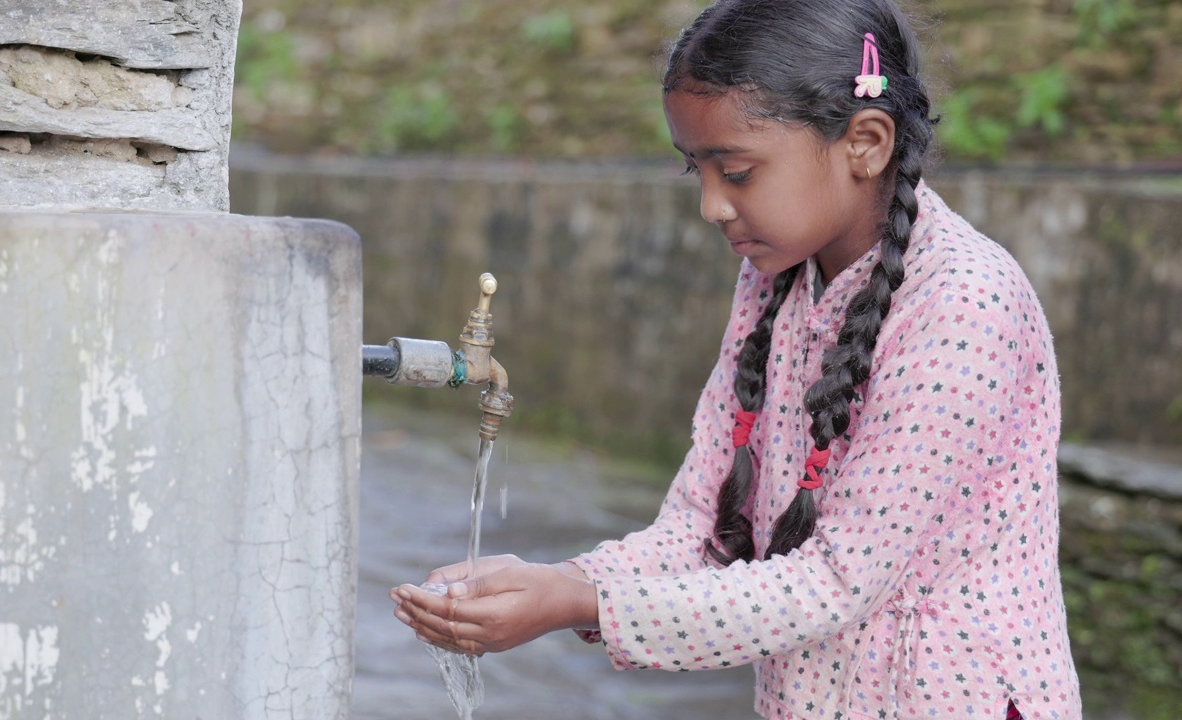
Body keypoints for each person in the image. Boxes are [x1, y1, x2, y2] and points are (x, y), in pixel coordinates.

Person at [390, 0, 1082, 717]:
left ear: (866, 142)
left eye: (738, 172)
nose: (712, 207)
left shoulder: (965, 304)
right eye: (698, 172)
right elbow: (702, 524)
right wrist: (561, 579)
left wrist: (584, 601)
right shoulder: (776, 278)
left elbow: (836, 581)